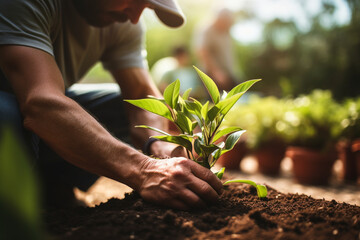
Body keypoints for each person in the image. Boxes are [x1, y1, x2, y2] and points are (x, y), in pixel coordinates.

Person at [0, 0, 223, 210]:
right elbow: (40, 103)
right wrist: (144, 170)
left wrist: (159, 146)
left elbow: (140, 93)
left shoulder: (123, 20)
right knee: (5, 114)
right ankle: (15, 202)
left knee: (123, 105)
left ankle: (50, 185)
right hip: (12, 106)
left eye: (144, 5)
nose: (135, 17)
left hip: (34, 115)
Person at [194, 8, 239, 92]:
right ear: (220, 19)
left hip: (228, 73)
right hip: (211, 75)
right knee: (214, 102)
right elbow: (202, 51)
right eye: (226, 22)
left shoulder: (226, 32)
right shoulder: (206, 30)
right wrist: (216, 73)